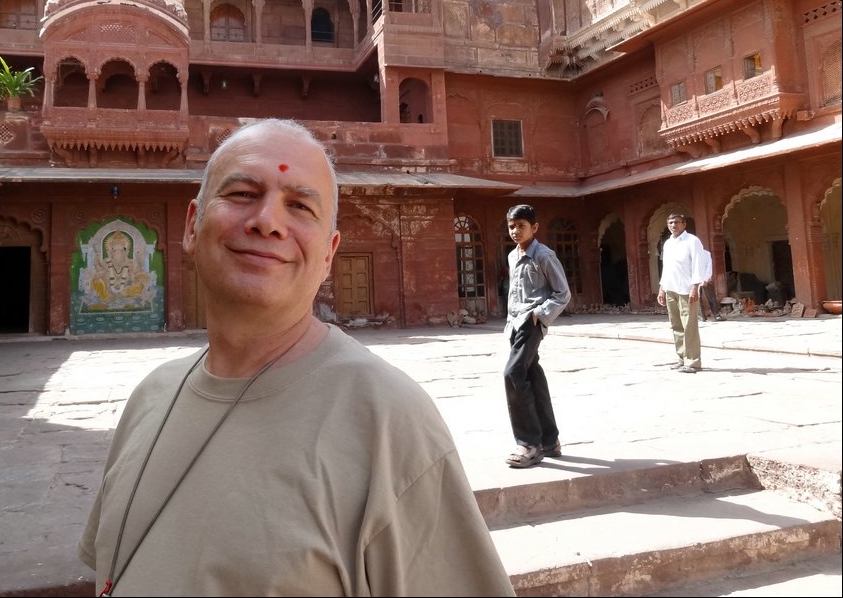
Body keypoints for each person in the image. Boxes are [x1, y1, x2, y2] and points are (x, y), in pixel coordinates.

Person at [78, 118, 515, 597]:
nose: (267, 220)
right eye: (242, 193)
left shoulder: (386, 418)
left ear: (329, 255)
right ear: (191, 225)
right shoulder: (151, 397)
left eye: (300, 206)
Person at [502, 204, 571, 469]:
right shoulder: (512, 256)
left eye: (521, 225)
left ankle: (529, 444)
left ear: (535, 227)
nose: (515, 231)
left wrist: (539, 314)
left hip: (532, 322)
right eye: (511, 226)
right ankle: (550, 441)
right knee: (531, 375)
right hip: (515, 324)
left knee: (513, 374)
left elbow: (562, 293)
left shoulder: (544, 255)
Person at [657, 212, 708, 373]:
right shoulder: (667, 243)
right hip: (670, 287)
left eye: (677, 222)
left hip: (687, 289)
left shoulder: (692, 241)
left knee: (689, 326)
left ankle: (693, 361)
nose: (673, 225)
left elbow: (698, 265)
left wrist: (695, 286)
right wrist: (662, 288)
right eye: (670, 223)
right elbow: (666, 268)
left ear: (684, 224)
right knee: (676, 325)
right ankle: (681, 357)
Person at [698, 249, 724, 322]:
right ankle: (701, 316)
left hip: (704, 278)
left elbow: (709, 266)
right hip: (696, 279)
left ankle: (716, 315)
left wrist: (706, 278)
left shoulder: (706, 253)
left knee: (711, 297)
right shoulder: (690, 253)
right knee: (698, 298)